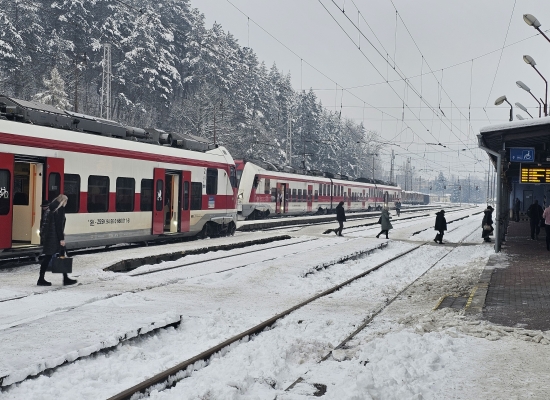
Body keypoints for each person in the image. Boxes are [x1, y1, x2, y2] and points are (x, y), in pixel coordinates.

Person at [37, 194, 77, 286]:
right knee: (59, 256)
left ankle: (43, 278)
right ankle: (64, 279)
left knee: (50, 257)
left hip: (49, 237)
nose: (66, 204)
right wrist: (61, 239)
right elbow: (59, 227)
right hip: (55, 238)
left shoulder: (50, 208)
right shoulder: (59, 209)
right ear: (63, 201)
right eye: (66, 202)